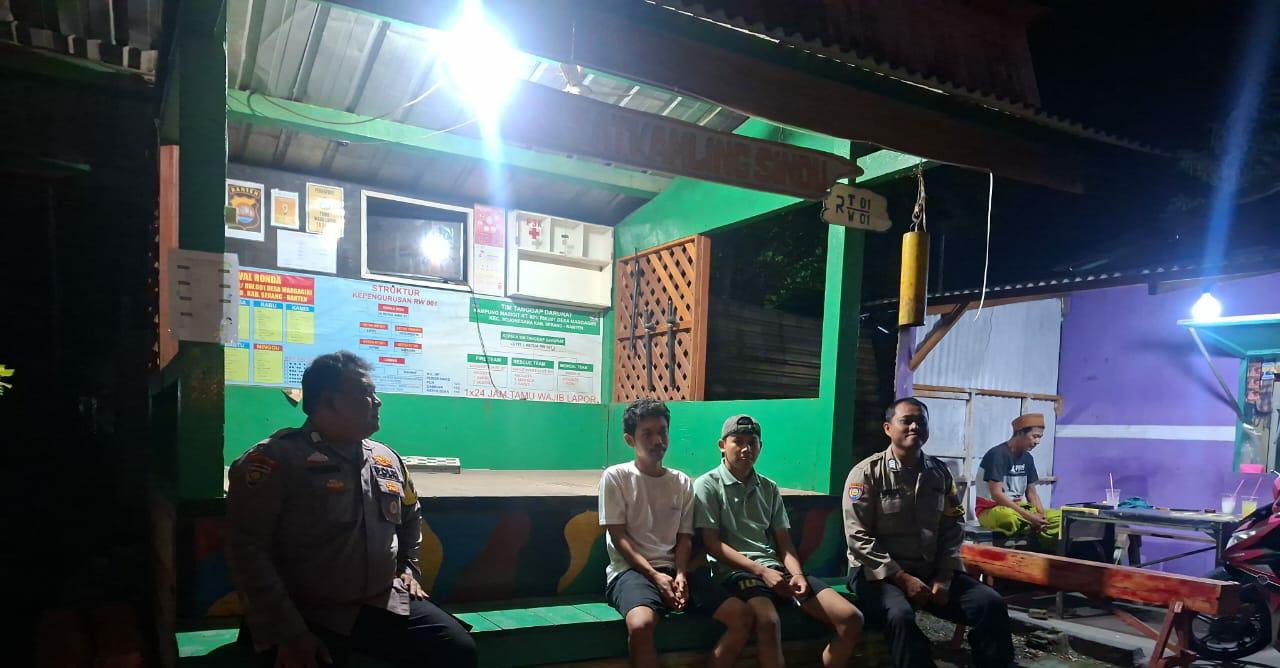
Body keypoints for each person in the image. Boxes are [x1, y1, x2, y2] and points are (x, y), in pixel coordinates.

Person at [227, 351, 476, 668]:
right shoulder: (275, 460)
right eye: (366, 393)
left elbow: (411, 516)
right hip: (306, 613)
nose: (378, 401)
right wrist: (289, 632)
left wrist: (407, 568)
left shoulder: (387, 459)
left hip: (380, 603)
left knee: (456, 649)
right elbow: (248, 553)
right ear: (329, 401)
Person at [844, 398, 1013, 668]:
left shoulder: (939, 473)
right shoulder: (866, 474)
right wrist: (902, 578)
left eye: (920, 422)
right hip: (877, 574)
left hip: (930, 570)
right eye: (906, 421)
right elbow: (857, 536)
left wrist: (945, 576)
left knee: (990, 603)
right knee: (899, 616)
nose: (914, 427)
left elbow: (953, 526)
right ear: (888, 428)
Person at [695, 414, 863, 668]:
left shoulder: (769, 487)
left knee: (851, 618)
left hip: (777, 570)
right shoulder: (707, 485)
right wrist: (761, 571)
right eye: (737, 441)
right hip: (736, 572)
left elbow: (784, 542)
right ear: (722, 445)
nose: (746, 449)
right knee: (769, 621)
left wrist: (797, 575)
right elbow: (712, 544)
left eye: (752, 442)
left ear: (760, 446)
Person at [599, 398, 754, 668]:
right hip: (630, 572)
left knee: (742, 616)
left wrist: (681, 574)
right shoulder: (616, 477)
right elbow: (619, 537)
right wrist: (655, 576)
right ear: (629, 439)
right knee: (641, 625)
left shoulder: (681, 481)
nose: (658, 440)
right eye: (647, 434)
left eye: (662, 432)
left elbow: (684, 538)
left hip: (676, 571)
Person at [975, 413, 1062, 549]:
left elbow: (1032, 494)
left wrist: (1041, 516)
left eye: (1040, 437)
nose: (1037, 441)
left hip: (1019, 508)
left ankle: (1038, 530)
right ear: (1020, 433)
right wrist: (1029, 517)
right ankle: (1034, 527)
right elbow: (997, 495)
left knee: (1059, 518)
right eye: (1035, 436)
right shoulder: (997, 455)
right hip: (992, 510)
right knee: (1009, 518)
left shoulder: (1028, 459)